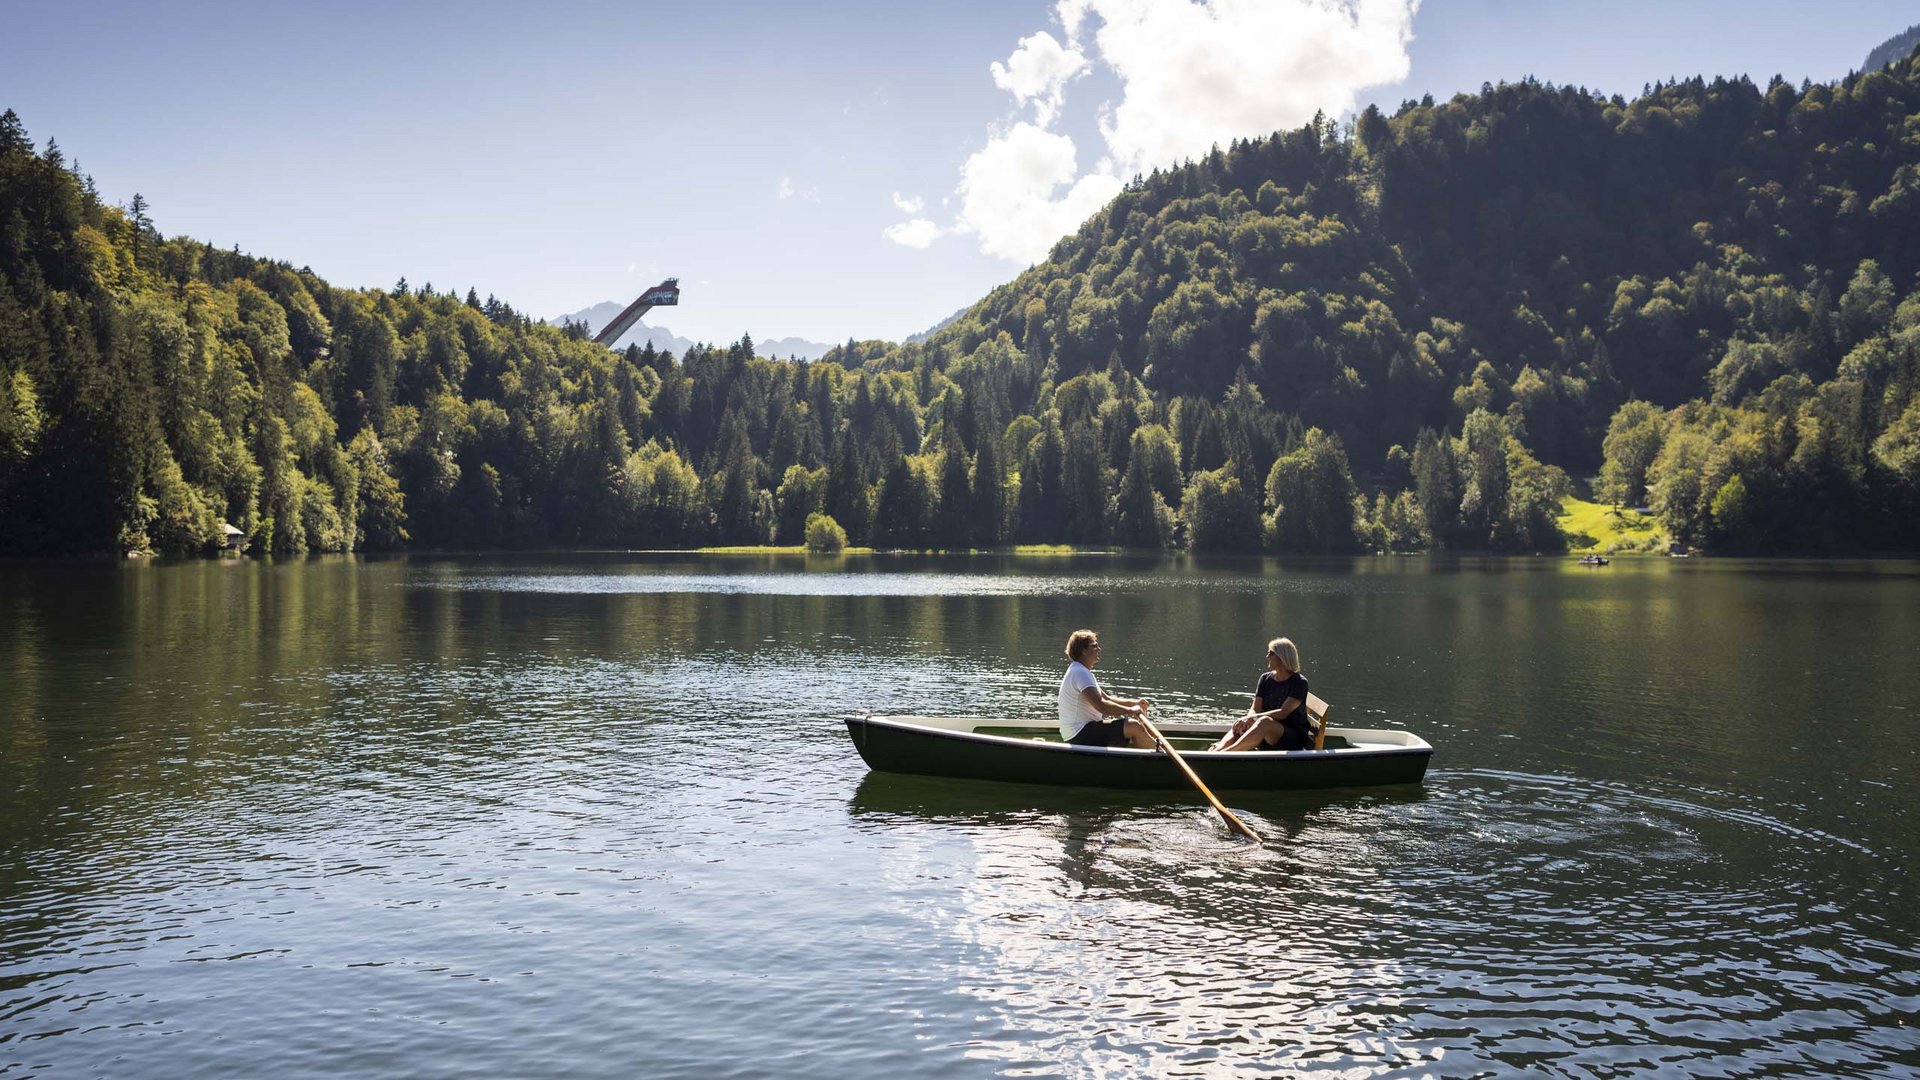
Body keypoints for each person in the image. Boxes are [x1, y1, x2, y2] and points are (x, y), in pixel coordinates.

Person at [1209, 637, 1316, 752]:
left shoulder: (1299, 682)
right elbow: (1255, 708)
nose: (1267, 656)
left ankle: (1226, 754)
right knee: (1241, 724)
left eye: (1271, 653)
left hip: (1292, 738)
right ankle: (1215, 752)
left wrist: (1254, 718)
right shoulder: (1265, 678)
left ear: (1282, 657)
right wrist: (1246, 719)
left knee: (1264, 721)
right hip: (1266, 731)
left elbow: (1283, 713)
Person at [1057, 629, 1155, 749]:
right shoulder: (1080, 673)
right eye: (1094, 646)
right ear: (1083, 650)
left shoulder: (1081, 671)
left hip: (1083, 732)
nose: (1099, 649)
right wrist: (1131, 710)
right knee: (1133, 726)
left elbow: (1107, 698)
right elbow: (1101, 706)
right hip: (1079, 734)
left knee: (1133, 727)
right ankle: (1162, 760)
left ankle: (1155, 752)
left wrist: (1134, 703)